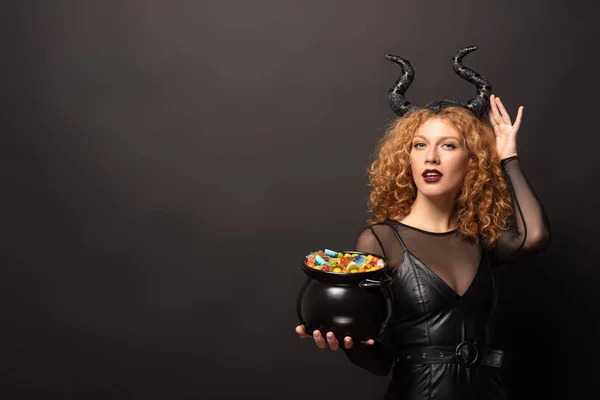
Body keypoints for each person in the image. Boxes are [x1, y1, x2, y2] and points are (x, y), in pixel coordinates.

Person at [295, 46, 551, 399]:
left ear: (471, 159)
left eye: (448, 145)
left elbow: (533, 236)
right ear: (407, 158)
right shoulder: (379, 241)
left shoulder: (481, 237)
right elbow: (381, 362)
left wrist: (507, 155)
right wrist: (348, 341)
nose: (431, 157)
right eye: (419, 145)